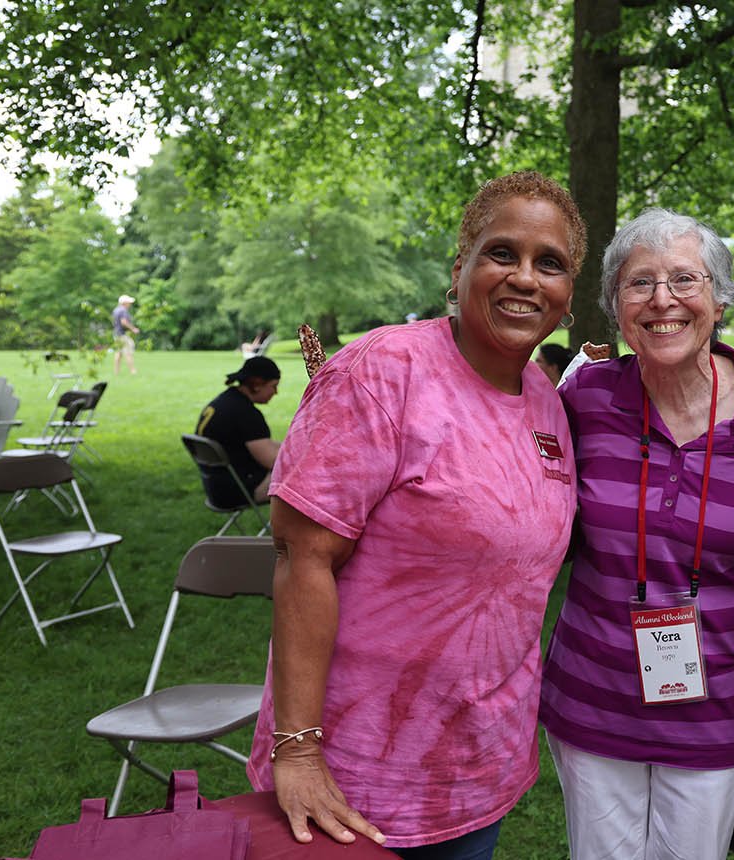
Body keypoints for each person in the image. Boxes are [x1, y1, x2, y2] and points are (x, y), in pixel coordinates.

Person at [245, 171, 586, 859]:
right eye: (502, 253)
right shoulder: (382, 372)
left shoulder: (546, 400)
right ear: (460, 267)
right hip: (354, 775)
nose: (525, 278)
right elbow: (301, 556)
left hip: (477, 766)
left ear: (568, 292)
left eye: (549, 263)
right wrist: (299, 751)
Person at [538, 209, 734, 859]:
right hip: (594, 700)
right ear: (615, 308)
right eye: (638, 283)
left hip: (716, 706)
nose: (662, 300)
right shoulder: (583, 400)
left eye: (685, 279)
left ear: (721, 298)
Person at [194, 355, 283, 505]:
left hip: (216, 488)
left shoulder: (225, 401)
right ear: (257, 384)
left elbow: (265, 445)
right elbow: (272, 461)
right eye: (273, 385)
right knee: (306, 477)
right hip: (239, 491)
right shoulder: (245, 414)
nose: (276, 392)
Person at [111, 294, 139, 375]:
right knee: (128, 352)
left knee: (119, 353)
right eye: (129, 302)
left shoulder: (115, 310)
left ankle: (116, 372)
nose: (130, 304)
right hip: (122, 335)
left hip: (116, 334)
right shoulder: (123, 310)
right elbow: (124, 322)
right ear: (124, 302)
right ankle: (133, 371)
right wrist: (133, 329)